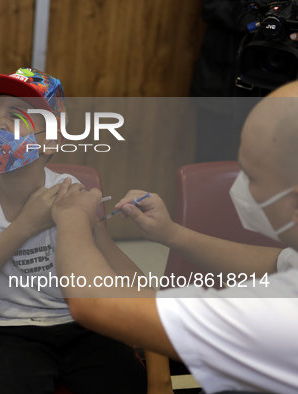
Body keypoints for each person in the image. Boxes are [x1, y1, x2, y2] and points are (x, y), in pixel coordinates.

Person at [0, 67, 174, 393]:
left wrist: (159, 373)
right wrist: (28, 223)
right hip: (11, 328)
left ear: (49, 141)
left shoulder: (68, 190)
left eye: (16, 116)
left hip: (82, 323)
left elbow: (124, 274)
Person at [50, 81, 298, 393]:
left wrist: (72, 217)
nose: (239, 185)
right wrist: (171, 233)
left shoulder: (281, 314)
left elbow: (95, 303)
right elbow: (278, 264)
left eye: (251, 175)